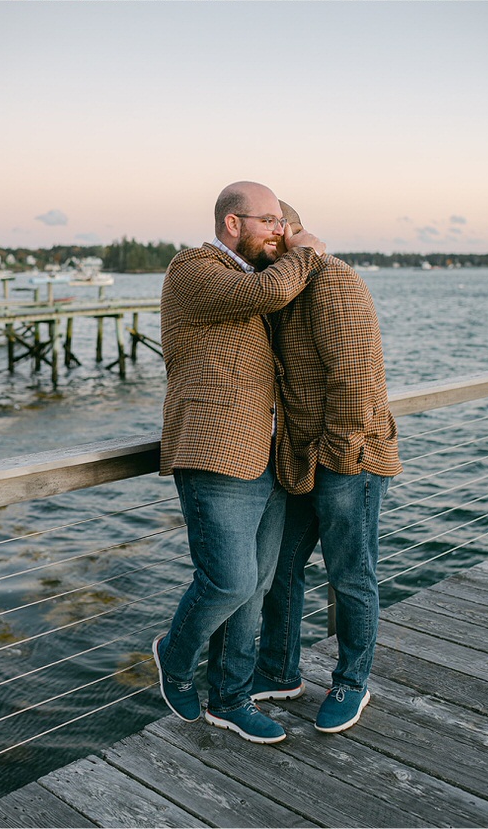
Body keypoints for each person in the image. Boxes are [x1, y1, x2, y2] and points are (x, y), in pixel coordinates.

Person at [153, 182, 326, 745]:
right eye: (271, 221)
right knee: (229, 582)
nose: (280, 230)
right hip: (215, 452)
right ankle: (175, 658)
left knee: (258, 586)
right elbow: (270, 294)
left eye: (284, 222)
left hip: (266, 453)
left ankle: (230, 698)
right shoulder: (193, 268)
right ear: (233, 223)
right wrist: (305, 249)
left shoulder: (248, 276)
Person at [252, 200, 402, 734]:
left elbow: (358, 378)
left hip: (347, 458)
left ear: (294, 229)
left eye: (278, 227)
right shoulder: (277, 286)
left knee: (351, 573)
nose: (271, 237)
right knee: (280, 570)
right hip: (300, 460)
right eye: (262, 227)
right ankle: (278, 670)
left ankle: (351, 681)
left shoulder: (331, 279)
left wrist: (338, 456)